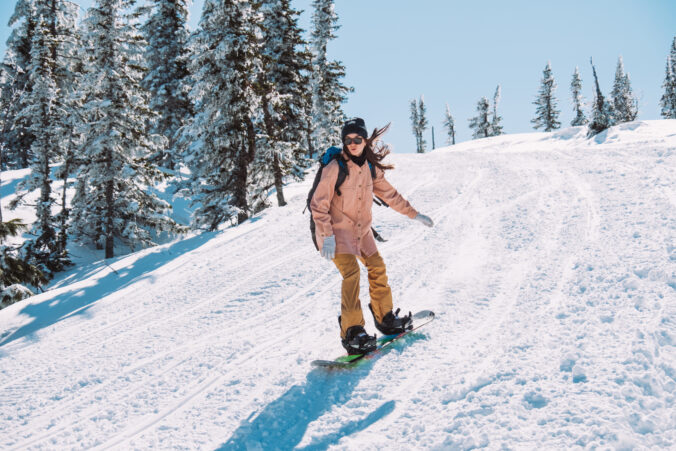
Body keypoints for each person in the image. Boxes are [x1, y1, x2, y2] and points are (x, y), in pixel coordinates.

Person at [310, 118, 434, 354]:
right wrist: (326, 235)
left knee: (377, 267)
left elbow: (391, 195)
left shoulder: (369, 168)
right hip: (335, 233)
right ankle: (352, 332)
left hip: (361, 232)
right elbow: (318, 204)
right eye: (348, 140)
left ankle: (384, 317)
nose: (353, 143)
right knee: (352, 273)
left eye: (357, 139)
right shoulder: (335, 168)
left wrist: (414, 214)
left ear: (365, 140)